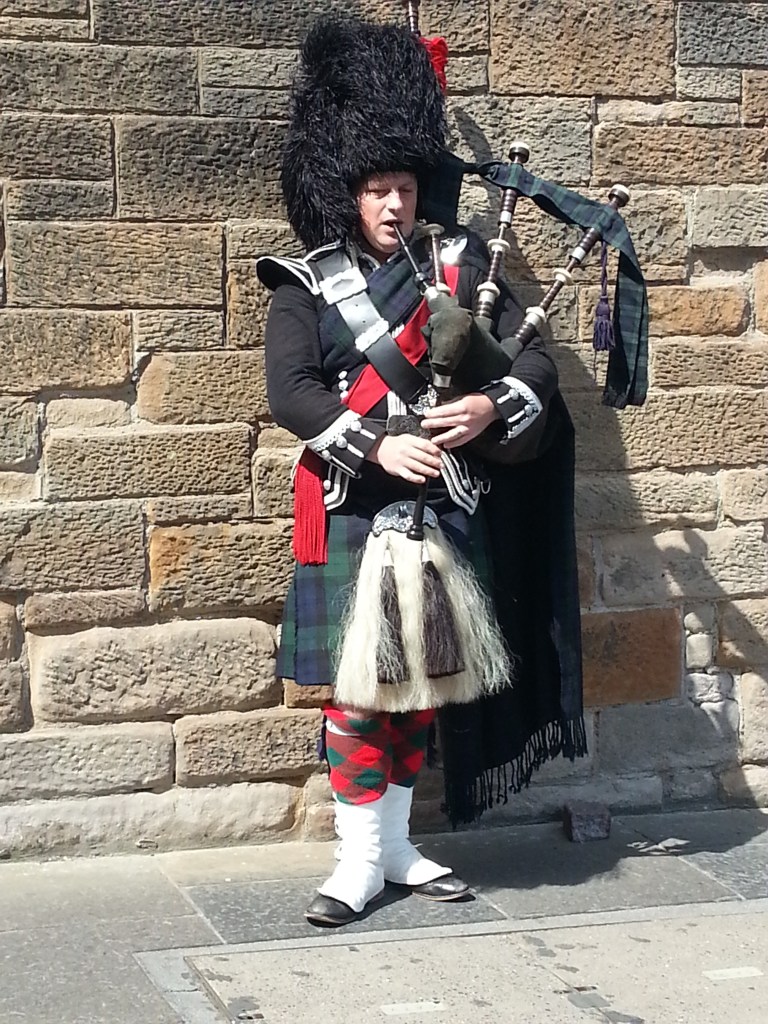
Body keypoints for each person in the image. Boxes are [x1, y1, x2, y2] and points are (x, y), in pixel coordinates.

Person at [257, 16, 587, 927]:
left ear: (419, 183)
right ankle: (357, 860)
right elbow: (291, 393)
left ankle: (396, 846)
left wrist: (486, 408)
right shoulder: (303, 282)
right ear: (346, 193)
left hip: (442, 510)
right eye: (375, 190)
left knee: (417, 688)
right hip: (357, 506)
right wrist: (372, 444)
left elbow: (536, 367)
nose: (393, 204)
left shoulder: (461, 263)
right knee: (362, 693)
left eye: (403, 185)